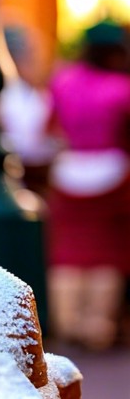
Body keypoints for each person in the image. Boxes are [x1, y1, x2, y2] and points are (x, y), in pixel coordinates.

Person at [47, 20, 130, 351]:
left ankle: (69, 321)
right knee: (106, 252)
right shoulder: (122, 87)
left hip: (69, 173)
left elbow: (51, 129)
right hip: (113, 173)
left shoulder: (62, 81)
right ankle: (99, 324)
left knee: (69, 251)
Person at [0, 24, 60, 199]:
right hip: (14, 185)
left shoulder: (31, 93)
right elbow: (28, 147)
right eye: (32, 54)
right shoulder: (9, 95)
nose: (40, 61)